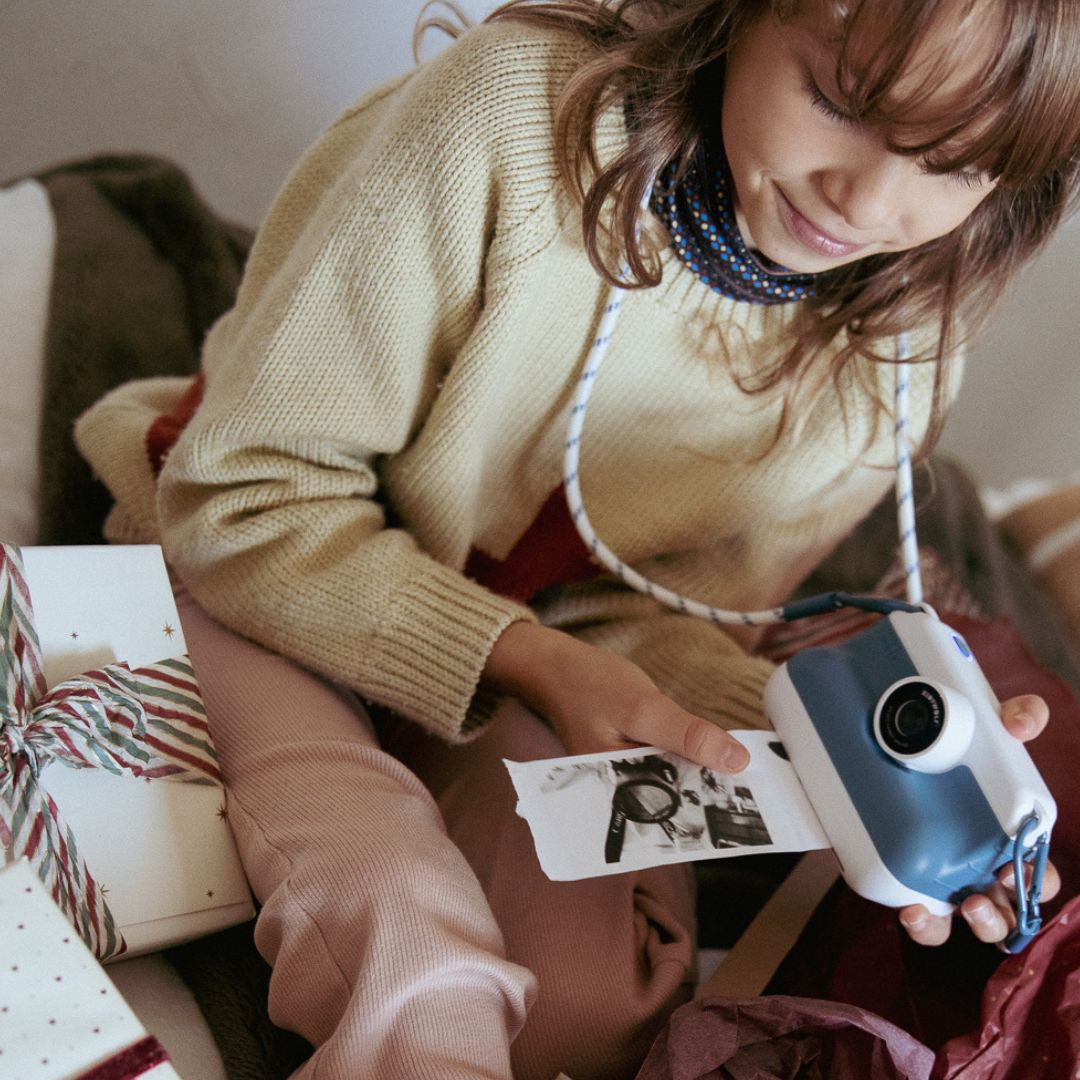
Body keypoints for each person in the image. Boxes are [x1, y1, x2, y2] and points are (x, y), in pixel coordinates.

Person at [75, 0, 1080, 1077]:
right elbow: (241, 497)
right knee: (406, 938)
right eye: (838, 100)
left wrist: (837, 761)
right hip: (249, 574)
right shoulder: (509, 117)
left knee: (586, 1009)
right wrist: (537, 664)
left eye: (955, 163)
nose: (868, 200)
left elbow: (664, 614)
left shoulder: (901, 351)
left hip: (523, 658)